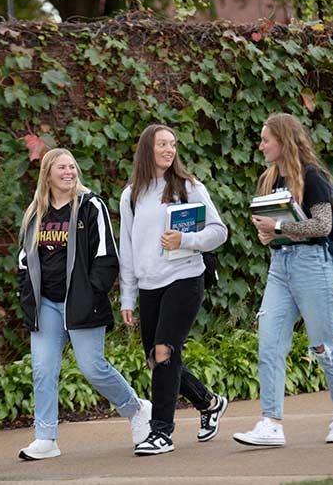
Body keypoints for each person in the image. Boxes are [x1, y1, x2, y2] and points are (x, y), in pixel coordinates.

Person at [17, 148, 152, 460]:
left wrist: (90, 295)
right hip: (46, 304)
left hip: (81, 303)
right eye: (61, 168)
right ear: (47, 174)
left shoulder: (91, 206)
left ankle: (136, 408)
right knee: (42, 369)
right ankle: (46, 437)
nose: (69, 172)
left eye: (72, 167)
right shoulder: (36, 213)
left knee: (93, 368)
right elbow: (24, 262)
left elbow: (106, 258)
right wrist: (27, 298)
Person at [233, 113, 333, 447]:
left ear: (283, 141)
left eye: (265, 140)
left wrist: (279, 228)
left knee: (323, 344)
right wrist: (267, 235)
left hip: (313, 266)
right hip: (280, 265)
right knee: (269, 343)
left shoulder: (313, 177)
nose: (260, 146)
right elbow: (275, 231)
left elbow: (323, 226)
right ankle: (271, 423)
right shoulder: (270, 178)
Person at [119, 124, 229, 456]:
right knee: (157, 359)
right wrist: (128, 296)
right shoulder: (131, 195)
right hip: (150, 285)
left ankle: (161, 433)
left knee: (165, 350)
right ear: (146, 150)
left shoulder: (188, 187)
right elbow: (127, 248)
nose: (169, 149)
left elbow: (218, 231)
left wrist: (186, 240)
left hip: (185, 278)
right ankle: (209, 402)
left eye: (173, 144)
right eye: (162, 144)